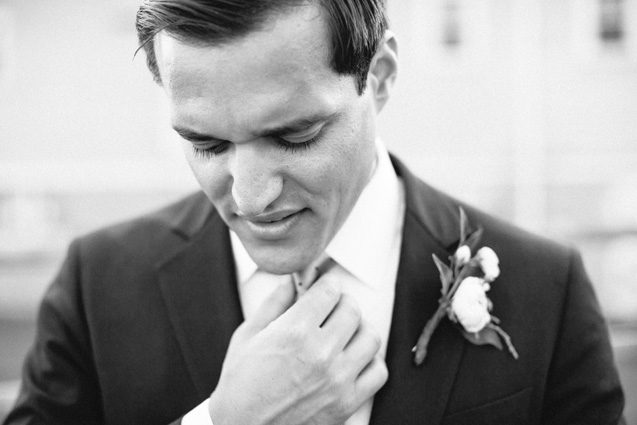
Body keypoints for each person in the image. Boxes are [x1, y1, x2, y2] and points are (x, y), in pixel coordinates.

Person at [3, 1, 625, 424]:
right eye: (206, 144)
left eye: (293, 135)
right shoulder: (99, 283)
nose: (249, 197)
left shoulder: (547, 289)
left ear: (378, 76)